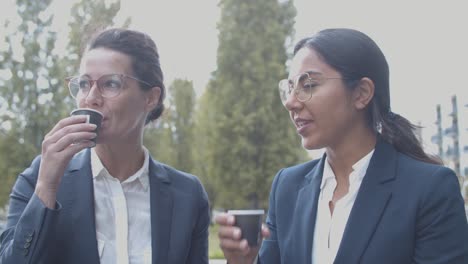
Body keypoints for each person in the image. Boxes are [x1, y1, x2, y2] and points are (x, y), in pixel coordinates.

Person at [216, 28, 468, 264]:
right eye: (290, 88)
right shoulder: (287, 187)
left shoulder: (430, 189)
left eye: (309, 85)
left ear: (361, 93)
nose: (291, 102)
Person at [0, 28, 210, 264]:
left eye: (110, 84)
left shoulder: (188, 195)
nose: (90, 98)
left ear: (150, 98)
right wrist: (46, 188)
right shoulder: (39, 178)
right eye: (83, 84)